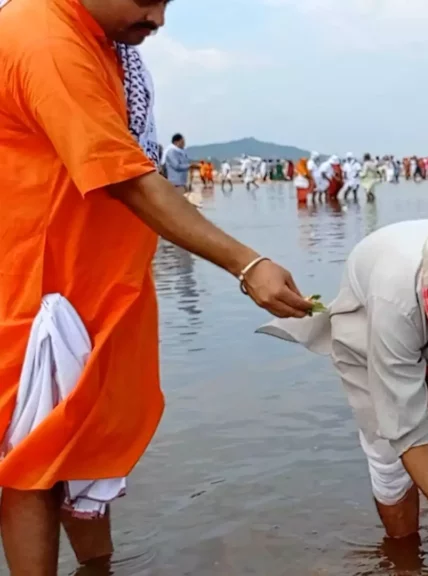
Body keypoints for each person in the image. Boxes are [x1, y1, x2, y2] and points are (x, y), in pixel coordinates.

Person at [0, 0, 313, 573]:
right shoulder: (45, 37)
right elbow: (124, 175)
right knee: (33, 461)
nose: (159, 17)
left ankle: (100, 568)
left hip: (89, 285)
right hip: (34, 289)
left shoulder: (96, 39)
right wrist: (246, 262)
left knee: (79, 446)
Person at [257, 209, 428, 559]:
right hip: (368, 329)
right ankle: (405, 560)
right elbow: (407, 430)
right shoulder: (394, 299)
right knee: (388, 453)